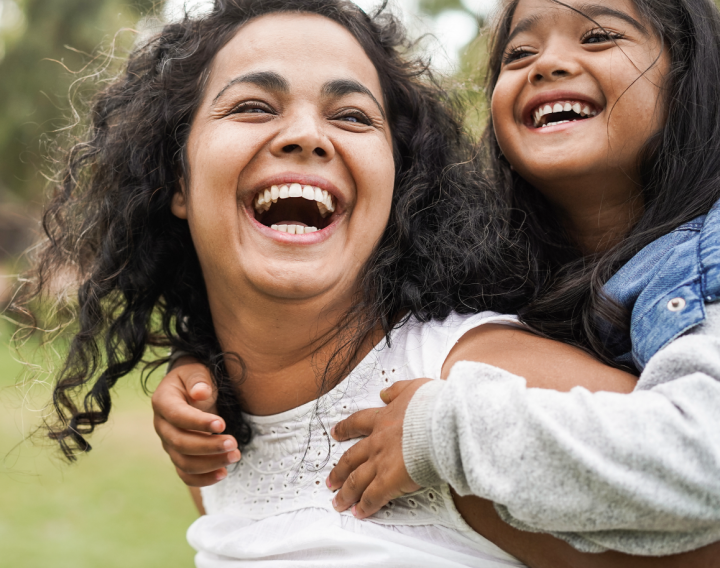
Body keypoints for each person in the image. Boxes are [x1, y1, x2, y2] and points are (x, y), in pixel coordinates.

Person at [16, 0, 663, 566]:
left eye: (352, 116)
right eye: (251, 105)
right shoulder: (212, 427)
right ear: (176, 180)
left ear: (396, 184)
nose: (305, 135)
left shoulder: (471, 390)